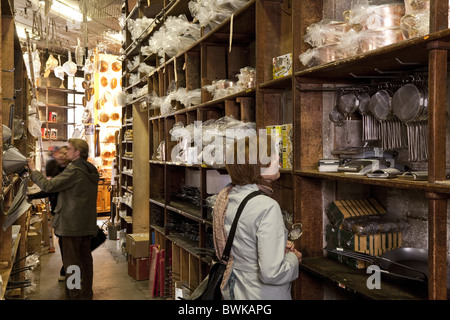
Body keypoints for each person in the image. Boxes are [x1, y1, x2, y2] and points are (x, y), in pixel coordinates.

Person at [213, 136, 302, 300]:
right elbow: (271, 273)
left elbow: (244, 242)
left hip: (237, 288)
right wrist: (292, 258)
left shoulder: (228, 196)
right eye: (274, 157)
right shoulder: (267, 206)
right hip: (261, 294)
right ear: (259, 168)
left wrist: (277, 245)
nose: (278, 161)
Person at [27, 139, 99, 300]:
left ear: (77, 153)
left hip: (71, 225)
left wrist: (33, 170)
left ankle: (75, 295)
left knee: (72, 263)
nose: (67, 152)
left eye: (70, 149)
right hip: (86, 224)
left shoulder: (74, 170)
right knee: (86, 260)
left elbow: (49, 186)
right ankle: (86, 293)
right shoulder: (91, 169)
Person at [27, 146, 70, 281]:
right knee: (66, 246)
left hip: (67, 216)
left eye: (65, 152)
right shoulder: (59, 168)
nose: (61, 155)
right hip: (61, 213)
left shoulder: (68, 172)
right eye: (60, 152)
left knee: (70, 249)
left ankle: (73, 282)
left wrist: (34, 170)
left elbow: (50, 188)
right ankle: (70, 275)